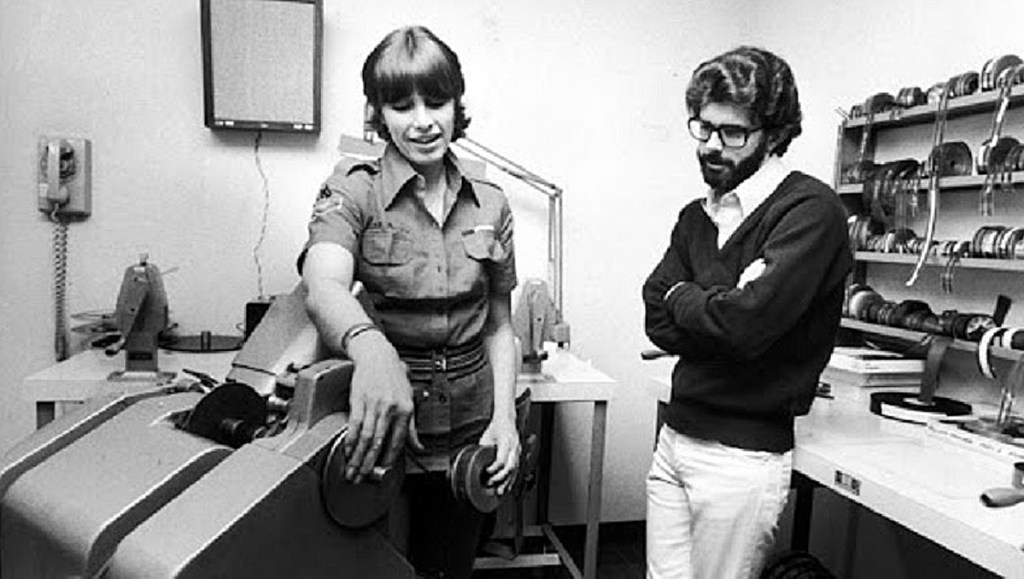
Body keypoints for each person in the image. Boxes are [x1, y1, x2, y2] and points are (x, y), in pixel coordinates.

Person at [298, 25, 521, 579]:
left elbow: (499, 324)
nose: (422, 121)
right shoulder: (354, 190)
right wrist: (371, 350)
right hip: (385, 430)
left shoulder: (490, 203)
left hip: (469, 433)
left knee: (450, 568)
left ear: (457, 104)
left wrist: (506, 418)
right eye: (402, 105)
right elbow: (322, 283)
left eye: (436, 101)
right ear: (377, 113)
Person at [642, 46, 853, 579]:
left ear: (775, 135)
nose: (712, 146)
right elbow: (655, 309)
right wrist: (716, 306)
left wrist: (687, 298)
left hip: (740, 460)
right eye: (703, 128)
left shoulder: (809, 212)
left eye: (733, 133)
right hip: (674, 440)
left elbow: (745, 326)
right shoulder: (697, 216)